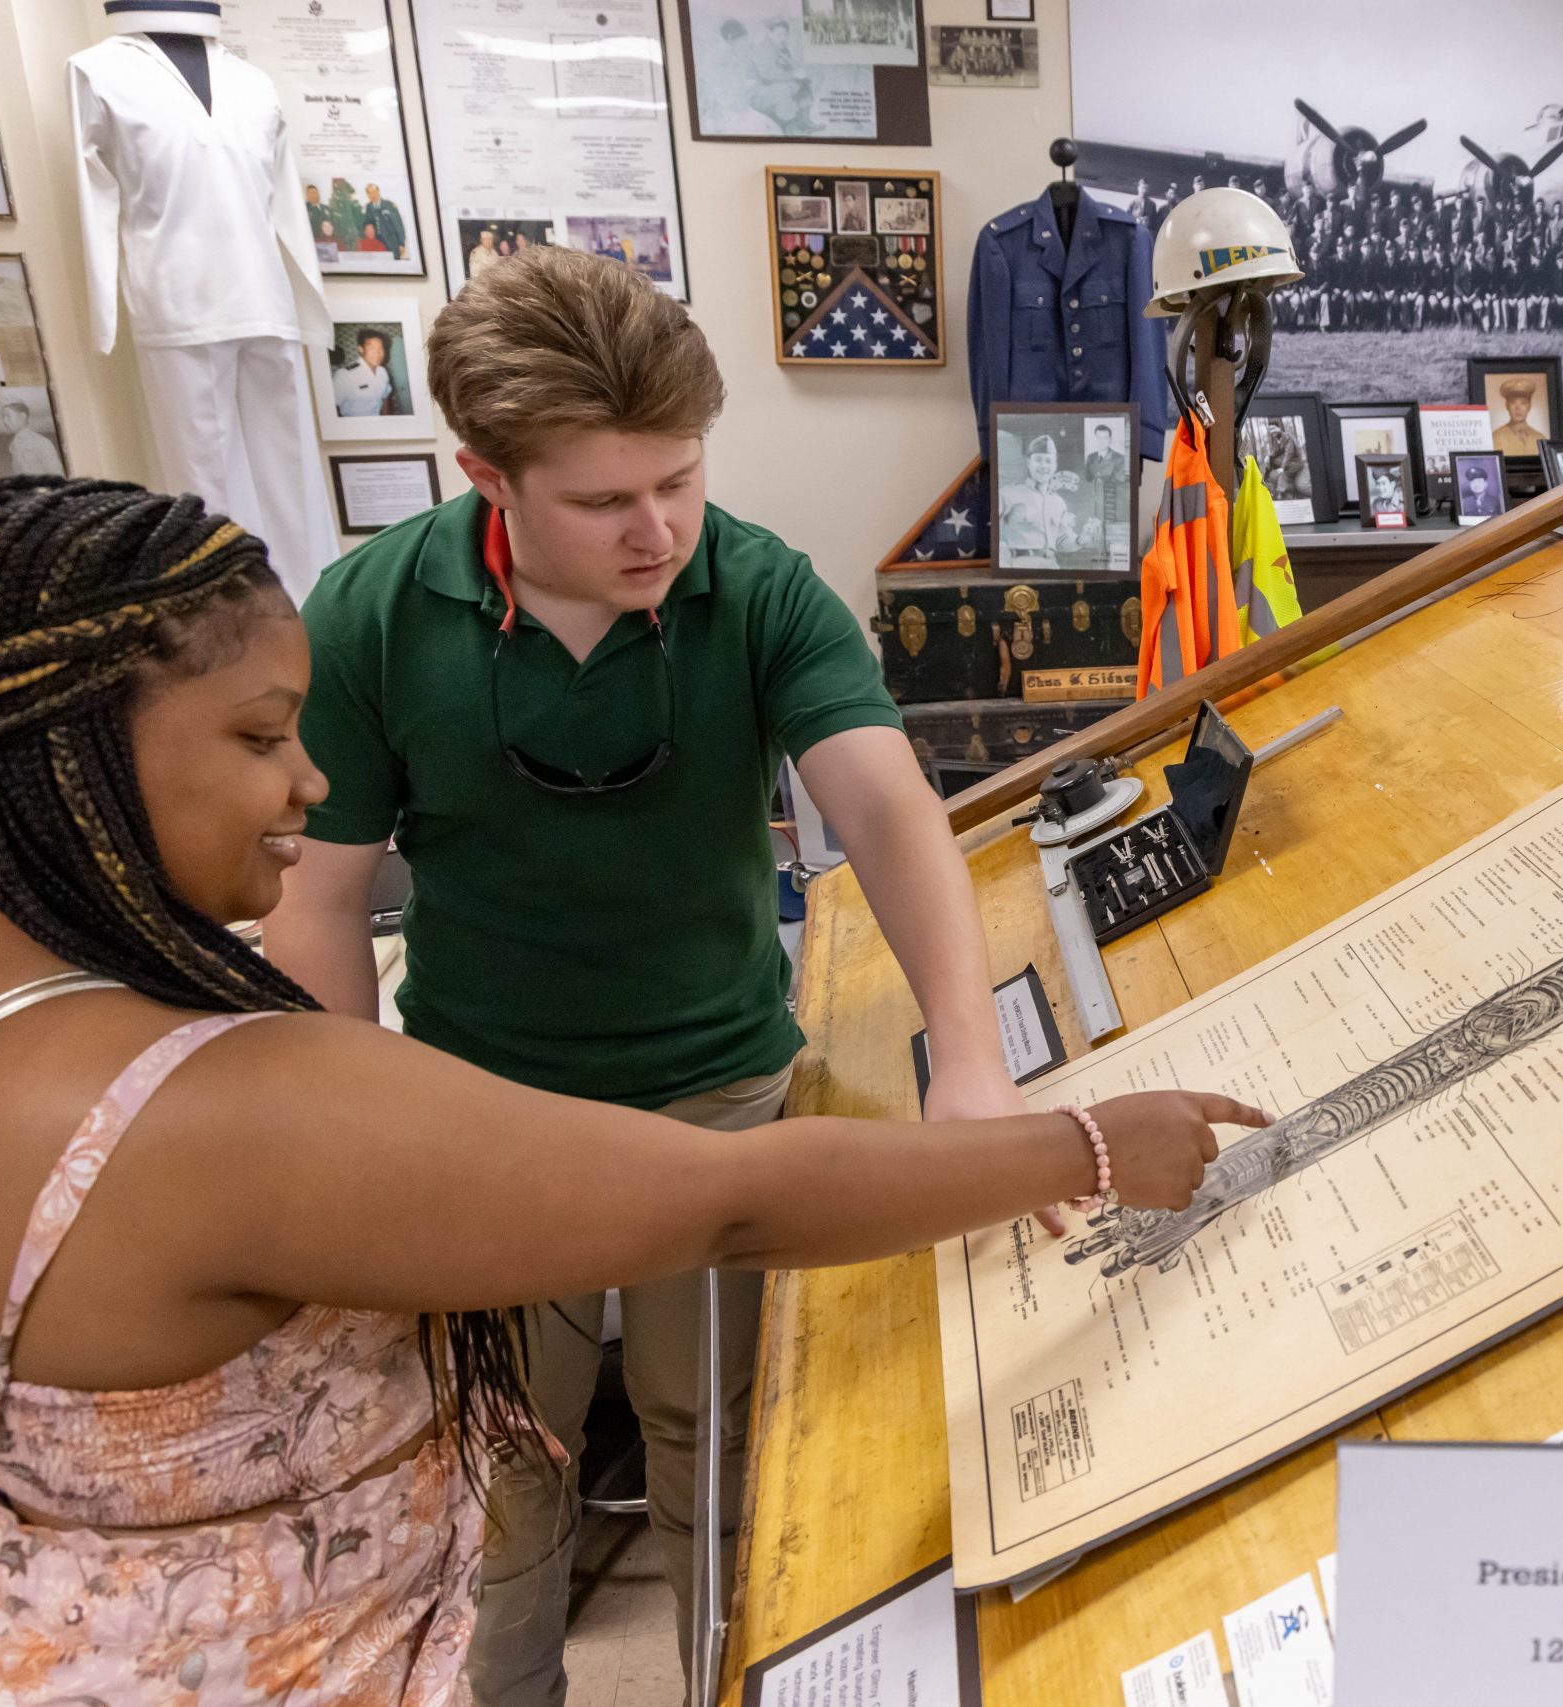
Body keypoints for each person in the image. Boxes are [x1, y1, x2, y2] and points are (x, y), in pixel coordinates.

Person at [0, 474, 1258, 1706]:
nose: (313, 779)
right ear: (63, 751)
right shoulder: (230, 1105)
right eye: (258, 736)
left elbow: (883, 801)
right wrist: (1083, 1142)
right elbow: (729, 1206)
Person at [269, 245, 1116, 1706]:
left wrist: (970, 1061)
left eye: (680, 477)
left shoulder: (758, 584)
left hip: (720, 1100)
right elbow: (320, 901)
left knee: (716, 1456)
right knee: (497, 1471)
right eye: (603, 500)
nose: (659, 526)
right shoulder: (369, 612)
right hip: (476, 1114)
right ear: (485, 472)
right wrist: (342, 1156)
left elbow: (887, 808)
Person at [998, 431, 1098, 568]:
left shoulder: (1058, 502)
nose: (1044, 466)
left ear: (1055, 465)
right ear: (1028, 462)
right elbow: (993, 534)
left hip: (1051, 566)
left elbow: (1061, 541)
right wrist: (1003, 564)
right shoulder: (1007, 494)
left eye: (1048, 461)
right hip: (1019, 565)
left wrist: (1081, 539)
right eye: (1038, 460)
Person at [333, 329, 398, 417]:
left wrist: (385, 419)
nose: (378, 353)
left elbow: (385, 397)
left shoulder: (382, 372)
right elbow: (332, 408)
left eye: (380, 348)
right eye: (372, 348)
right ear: (361, 349)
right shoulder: (344, 375)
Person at [1, 400, 62, 477]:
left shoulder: (42, 443)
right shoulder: (13, 444)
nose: (5, 421)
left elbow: (57, 475)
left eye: (8, 416)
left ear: (22, 417)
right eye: (3, 417)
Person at [1491, 378, 1544, 457]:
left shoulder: (1540, 438)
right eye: (1513, 403)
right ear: (1507, 406)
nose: (1518, 408)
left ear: (1529, 406)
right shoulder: (1495, 438)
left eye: (1523, 403)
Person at [364, 181, 411, 261]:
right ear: (368, 195)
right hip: (377, 244)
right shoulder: (368, 207)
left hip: (392, 243)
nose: (373, 195)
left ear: (378, 192)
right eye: (370, 193)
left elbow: (398, 225)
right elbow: (368, 225)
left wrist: (401, 244)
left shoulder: (389, 205)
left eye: (374, 192)